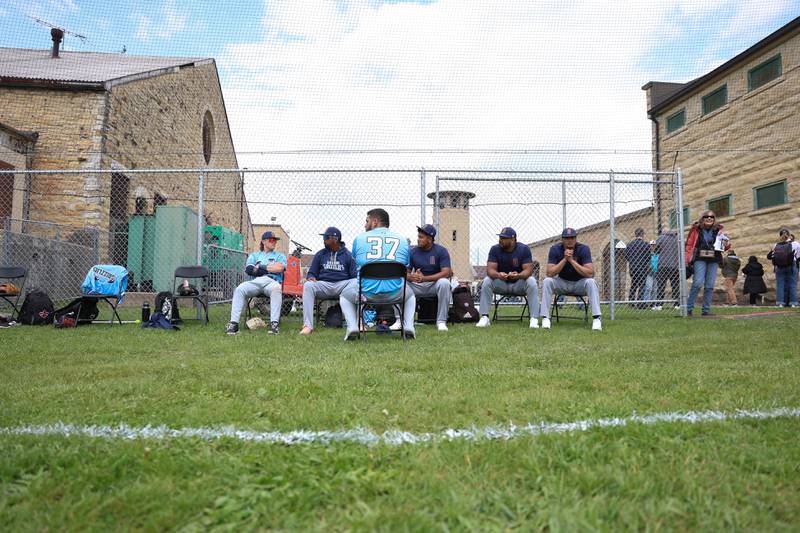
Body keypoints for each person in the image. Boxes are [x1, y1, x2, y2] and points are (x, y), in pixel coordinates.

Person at [340, 208, 416, 340]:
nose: (365, 224)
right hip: (395, 293)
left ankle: (352, 327)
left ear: (375, 222)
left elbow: (358, 263)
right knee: (410, 296)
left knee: (344, 296)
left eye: (367, 221)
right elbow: (404, 266)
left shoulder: (359, 238)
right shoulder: (403, 240)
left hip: (367, 293)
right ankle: (408, 326)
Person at [476, 227, 540, 328]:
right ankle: (484, 317)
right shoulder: (495, 249)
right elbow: (490, 270)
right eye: (500, 237)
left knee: (531, 281)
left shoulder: (524, 249)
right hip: (502, 283)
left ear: (513, 239)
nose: (500, 240)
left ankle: (534, 319)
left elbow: (528, 271)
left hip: (518, 284)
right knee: (487, 280)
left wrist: (518, 275)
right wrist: (499, 275)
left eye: (504, 238)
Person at [539, 227, 602, 331]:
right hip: (562, 283)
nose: (570, 240)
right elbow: (550, 273)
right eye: (567, 238)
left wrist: (571, 261)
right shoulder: (555, 249)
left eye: (572, 238)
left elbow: (590, 273)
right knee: (547, 281)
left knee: (591, 282)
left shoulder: (583, 249)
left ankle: (596, 319)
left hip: (579, 283)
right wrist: (564, 259)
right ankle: (546, 318)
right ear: (562, 239)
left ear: (576, 238)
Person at [299, 227, 357, 335]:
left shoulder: (348, 255)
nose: (323, 240)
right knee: (308, 285)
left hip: (342, 286)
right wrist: (311, 277)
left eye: (326, 237)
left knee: (355, 282)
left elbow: (354, 275)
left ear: (335, 239)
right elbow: (312, 272)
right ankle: (308, 326)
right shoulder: (320, 254)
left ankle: (356, 324)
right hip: (324, 285)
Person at [226, 231, 286, 335]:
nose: (274, 242)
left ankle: (274, 325)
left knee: (277, 289)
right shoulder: (255, 255)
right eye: (271, 240)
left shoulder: (280, 256)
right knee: (240, 289)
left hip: (272, 282)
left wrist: (260, 267)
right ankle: (233, 324)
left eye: (275, 240)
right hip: (256, 282)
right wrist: (270, 268)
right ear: (263, 241)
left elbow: (279, 268)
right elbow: (249, 269)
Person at [397, 224, 452, 332]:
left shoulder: (441, 251)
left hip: (433, 284)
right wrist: (412, 277)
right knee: (399, 282)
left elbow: (446, 272)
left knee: (444, 283)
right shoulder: (412, 251)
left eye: (421, 237)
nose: (418, 240)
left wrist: (425, 278)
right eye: (418, 237)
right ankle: (400, 321)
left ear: (430, 239)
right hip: (416, 285)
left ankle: (441, 321)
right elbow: (405, 272)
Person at [685, 210, 724, 316]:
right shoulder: (696, 229)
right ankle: (688, 308)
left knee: (710, 286)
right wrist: (687, 258)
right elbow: (689, 244)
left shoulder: (718, 230)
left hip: (713, 259)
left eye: (712, 217)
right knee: (697, 283)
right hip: (699, 258)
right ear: (702, 218)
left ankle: (706, 310)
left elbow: (722, 246)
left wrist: (726, 243)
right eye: (707, 216)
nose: (709, 218)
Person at [766, 228, 798, 308]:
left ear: (780, 236)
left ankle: (780, 303)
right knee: (792, 284)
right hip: (791, 265)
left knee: (780, 284)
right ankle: (793, 303)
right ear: (789, 235)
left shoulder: (776, 245)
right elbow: (798, 256)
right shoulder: (795, 244)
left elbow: (770, 256)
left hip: (779, 266)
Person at [652, 229, 681, 311]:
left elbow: (656, 250)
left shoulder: (661, 238)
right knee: (675, 286)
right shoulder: (677, 238)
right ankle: (677, 304)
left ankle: (659, 305)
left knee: (661, 285)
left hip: (663, 265)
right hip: (675, 265)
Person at [624, 228, 650, 308]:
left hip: (633, 268)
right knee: (642, 285)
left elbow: (626, 256)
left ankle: (631, 302)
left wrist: (632, 261)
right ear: (642, 234)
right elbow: (649, 256)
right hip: (643, 268)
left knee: (634, 285)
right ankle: (640, 303)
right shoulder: (646, 244)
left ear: (635, 234)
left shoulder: (629, 244)